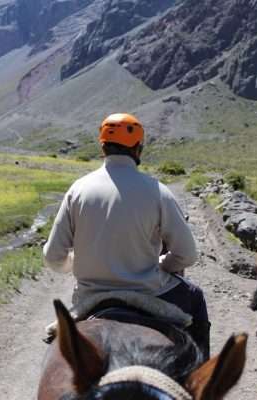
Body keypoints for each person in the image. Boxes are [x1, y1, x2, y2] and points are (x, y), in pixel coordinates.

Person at [43, 113, 210, 356]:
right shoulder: (158, 192)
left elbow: (52, 257)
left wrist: (77, 262)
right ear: (138, 149)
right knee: (196, 297)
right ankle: (202, 379)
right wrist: (162, 263)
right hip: (148, 293)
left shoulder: (78, 189)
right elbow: (187, 255)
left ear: (102, 147)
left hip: (88, 296)